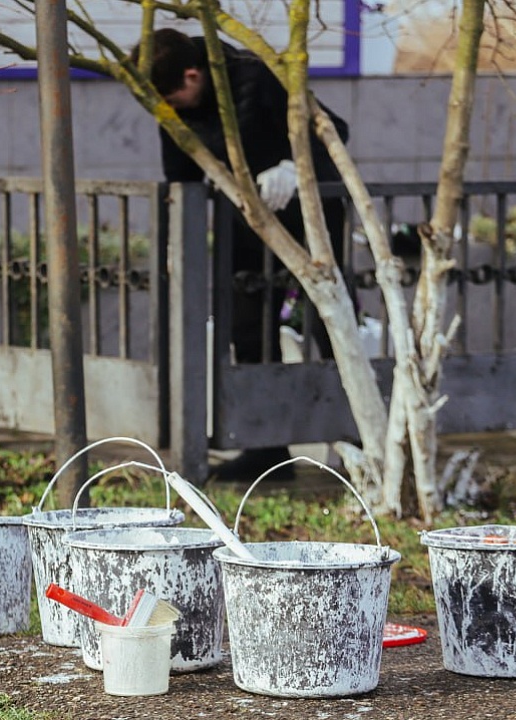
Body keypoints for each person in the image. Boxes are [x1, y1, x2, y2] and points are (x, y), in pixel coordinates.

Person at [139, 28, 350, 481]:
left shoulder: (257, 77)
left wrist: (296, 167)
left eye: (176, 97)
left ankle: (356, 442)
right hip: (247, 229)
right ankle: (267, 449)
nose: (172, 110)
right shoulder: (171, 105)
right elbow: (181, 176)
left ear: (193, 75)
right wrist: (180, 238)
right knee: (248, 331)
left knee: (330, 329)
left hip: (309, 220)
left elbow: (335, 131)